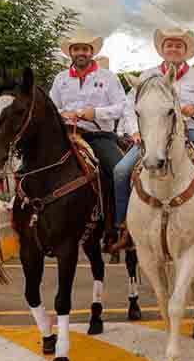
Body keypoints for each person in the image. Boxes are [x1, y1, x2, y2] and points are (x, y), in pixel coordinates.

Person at [111, 28, 194, 249]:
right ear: (162, 49)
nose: (174, 49)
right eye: (170, 45)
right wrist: (135, 131)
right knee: (121, 171)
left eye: (179, 46)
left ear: (185, 51)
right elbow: (130, 106)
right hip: (154, 133)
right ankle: (123, 227)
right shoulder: (147, 76)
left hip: (190, 131)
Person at [49, 29, 133, 248]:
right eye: (76, 49)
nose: (81, 53)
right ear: (70, 53)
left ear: (91, 52)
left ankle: (121, 224)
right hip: (65, 136)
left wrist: (95, 113)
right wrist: (61, 114)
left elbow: (121, 107)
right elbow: (51, 108)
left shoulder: (108, 78)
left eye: (85, 49)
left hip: (98, 136)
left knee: (119, 170)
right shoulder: (61, 79)